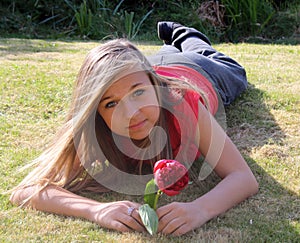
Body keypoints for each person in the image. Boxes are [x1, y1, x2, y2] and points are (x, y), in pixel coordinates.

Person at [10, 21, 258, 236]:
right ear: (96, 111)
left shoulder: (181, 103)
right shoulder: (97, 128)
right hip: (152, 65)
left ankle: (182, 32)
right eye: (111, 103)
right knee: (164, 54)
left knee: (223, 63)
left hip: (200, 71)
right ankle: (169, 44)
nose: (131, 114)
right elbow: (26, 191)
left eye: (138, 93)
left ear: (154, 86)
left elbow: (244, 178)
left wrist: (200, 209)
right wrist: (95, 210)